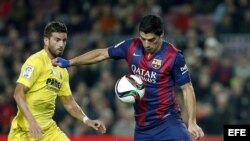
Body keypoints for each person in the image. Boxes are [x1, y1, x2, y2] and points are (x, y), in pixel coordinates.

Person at [53, 15, 204, 141]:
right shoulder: (131, 46)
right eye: (143, 38)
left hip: (168, 121)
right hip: (142, 127)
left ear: (161, 35)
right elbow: (102, 53)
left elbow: (187, 88)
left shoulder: (173, 56)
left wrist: (192, 121)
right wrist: (71, 62)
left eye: (151, 40)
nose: (146, 44)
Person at [8, 21, 106, 141]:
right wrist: (32, 122)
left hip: (48, 131)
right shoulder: (36, 61)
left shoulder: (62, 70)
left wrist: (87, 120)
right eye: (57, 40)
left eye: (64, 40)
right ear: (46, 40)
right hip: (23, 132)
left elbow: (69, 103)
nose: (61, 44)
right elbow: (18, 94)